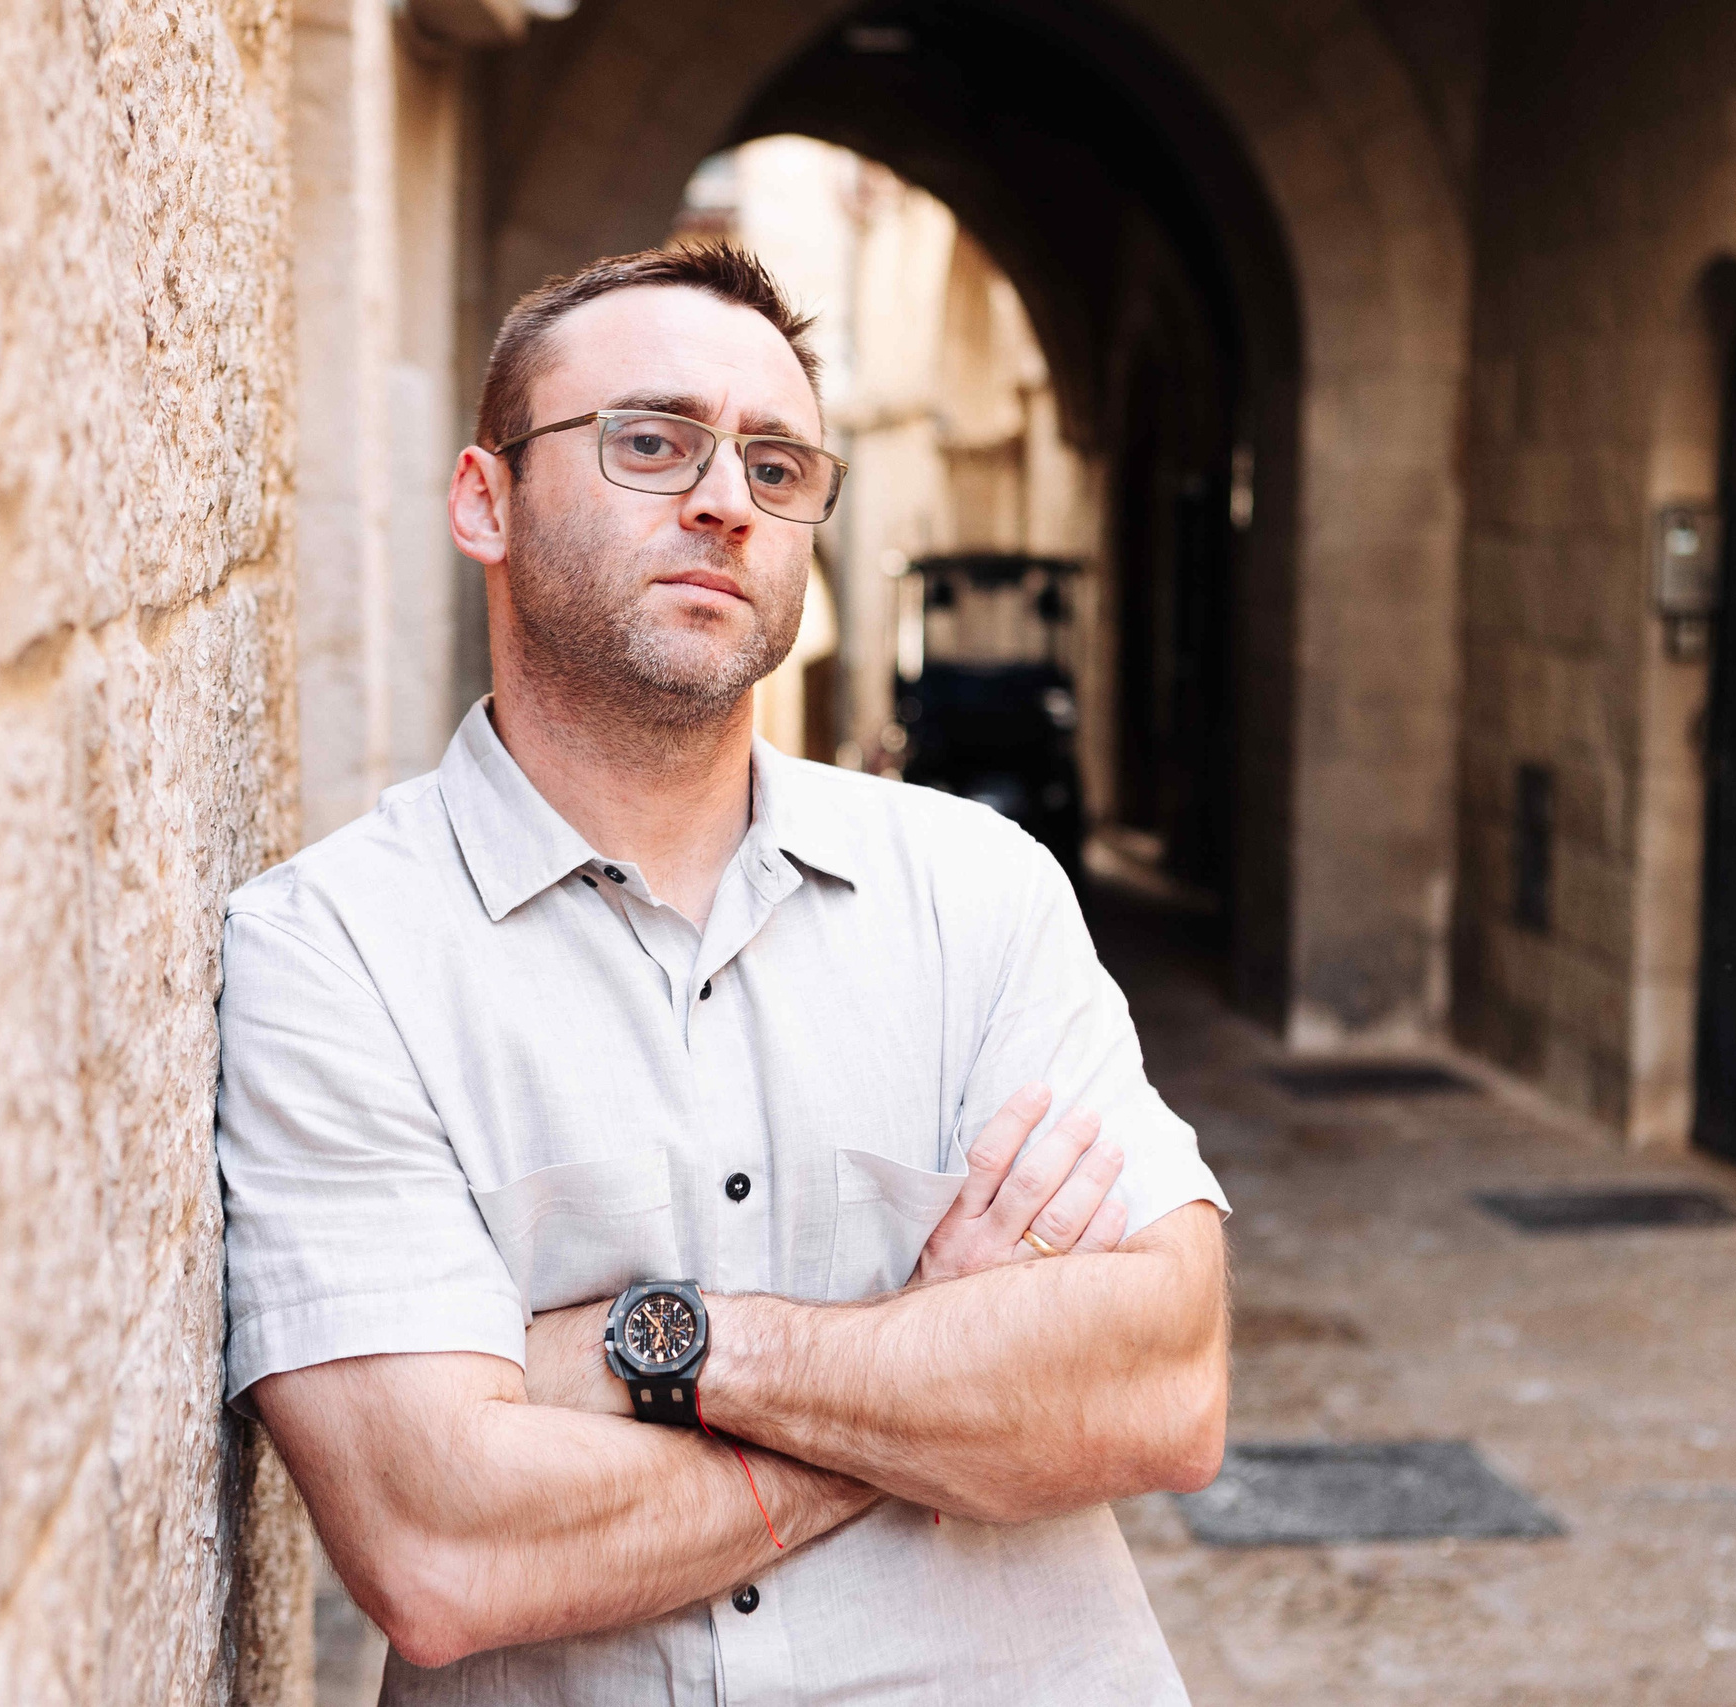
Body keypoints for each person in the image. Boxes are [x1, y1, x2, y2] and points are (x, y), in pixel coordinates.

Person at [215, 243, 1230, 1705]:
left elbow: (1162, 1387)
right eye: (651, 441)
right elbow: (442, 1549)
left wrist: (645, 1350)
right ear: (482, 500)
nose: (723, 499)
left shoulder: (975, 891)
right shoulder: (332, 953)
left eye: (777, 462)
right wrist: (929, 1384)